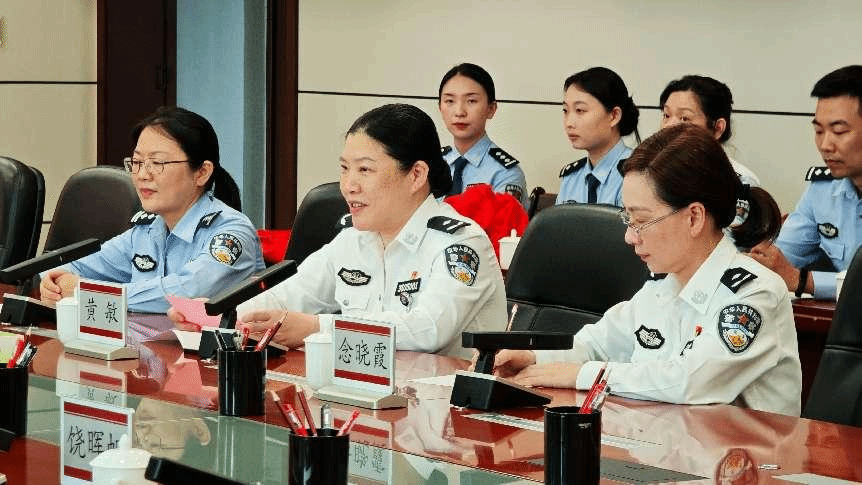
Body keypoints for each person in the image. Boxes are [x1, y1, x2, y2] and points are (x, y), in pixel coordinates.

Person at [491, 124, 801, 416]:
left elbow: (689, 381)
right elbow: (595, 344)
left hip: (743, 453)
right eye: (628, 220)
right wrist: (533, 358)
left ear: (694, 218)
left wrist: (582, 375)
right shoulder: (662, 286)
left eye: (641, 221)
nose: (630, 236)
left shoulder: (755, 294)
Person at [171, 103, 507, 359]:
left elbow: (428, 329)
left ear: (416, 175)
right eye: (345, 169)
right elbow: (286, 297)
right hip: (366, 401)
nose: (349, 186)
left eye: (365, 170)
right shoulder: (352, 241)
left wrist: (317, 328)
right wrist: (216, 314)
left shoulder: (461, 244)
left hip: (450, 416)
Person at [40, 106, 265, 313]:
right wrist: (55, 282)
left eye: (157, 163)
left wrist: (91, 293)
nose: (142, 175)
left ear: (202, 172)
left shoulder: (232, 233)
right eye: (137, 162)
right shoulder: (147, 229)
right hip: (149, 344)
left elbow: (187, 292)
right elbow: (69, 267)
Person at [749, 65, 862, 300]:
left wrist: (803, 281)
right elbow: (783, 257)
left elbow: (791, 275)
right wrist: (760, 257)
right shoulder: (822, 189)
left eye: (839, 132)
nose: (825, 145)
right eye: (819, 131)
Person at [438, 63, 528, 205]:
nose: (459, 112)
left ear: (491, 109)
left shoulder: (505, 173)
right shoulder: (430, 165)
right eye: (450, 101)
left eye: (471, 101)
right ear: (440, 107)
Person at [556, 67, 640, 206]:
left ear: (614, 116)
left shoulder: (637, 174)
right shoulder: (571, 178)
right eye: (565, 111)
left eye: (580, 110)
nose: (569, 123)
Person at [659, 74, 761, 186]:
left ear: (718, 128)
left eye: (684, 118)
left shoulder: (741, 181)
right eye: (666, 115)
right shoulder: (652, 172)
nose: (668, 126)